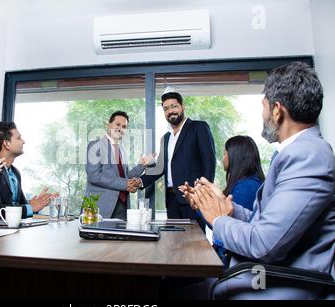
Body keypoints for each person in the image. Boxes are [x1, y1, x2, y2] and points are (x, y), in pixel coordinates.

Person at [184, 62, 335, 299]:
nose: (262, 115)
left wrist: (219, 218)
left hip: (276, 285)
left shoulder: (308, 155)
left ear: (277, 111)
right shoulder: (299, 153)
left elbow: (264, 244)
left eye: (263, 106)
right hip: (259, 275)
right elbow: (267, 221)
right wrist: (224, 205)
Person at [181, 135, 265, 268]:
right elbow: (220, 221)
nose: (223, 158)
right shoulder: (244, 183)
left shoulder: (247, 187)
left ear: (235, 156)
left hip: (231, 265)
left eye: (225, 153)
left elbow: (224, 226)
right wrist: (199, 202)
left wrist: (202, 205)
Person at [137, 91, 216, 227]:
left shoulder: (198, 127)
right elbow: (160, 168)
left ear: (182, 107)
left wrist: (201, 195)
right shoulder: (166, 138)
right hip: (171, 200)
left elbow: (209, 162)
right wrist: (139, 181)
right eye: (166, 108)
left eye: (174, 106)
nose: (170, 111)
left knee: (194, 243)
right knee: (174, 243)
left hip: (192, 198)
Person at [0, 121, 55, 220]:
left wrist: (36, 203)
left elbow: (23, 207)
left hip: (12, 230)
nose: (23, 141)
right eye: (19, 138)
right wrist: (30, 207)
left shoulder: (15, 172)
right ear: (6, 144)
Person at [85, 111, 155, 219]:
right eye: (117, 124)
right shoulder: (95, 145)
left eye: (124, 127)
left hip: (122, 205)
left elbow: (125, 177)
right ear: (109, 124)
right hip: (101, 207)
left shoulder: (122, 150)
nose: (120, 129)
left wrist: (142, 165)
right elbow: (94, 176)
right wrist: (125, 184)